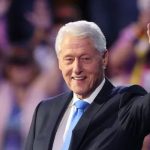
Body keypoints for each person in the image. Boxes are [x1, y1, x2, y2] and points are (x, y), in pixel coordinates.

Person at [25, 20, 150, 150]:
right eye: (69, 59)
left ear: (104, 58)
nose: (76, 68)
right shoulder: (44, 111)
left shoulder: (126, 103)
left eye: (85, 58)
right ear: (59, 63)